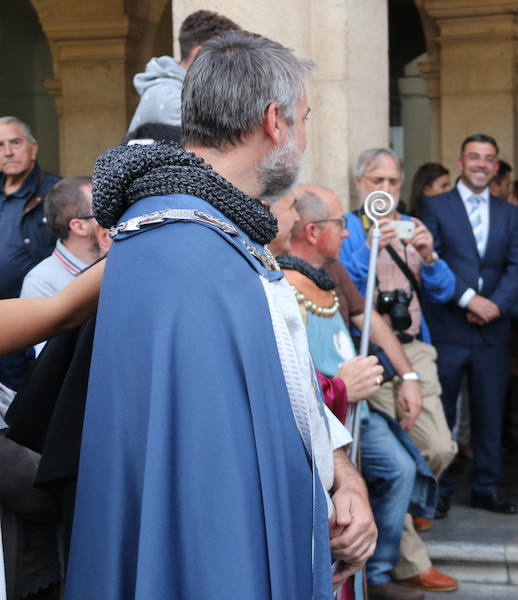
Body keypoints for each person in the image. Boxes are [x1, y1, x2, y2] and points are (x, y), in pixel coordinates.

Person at [65, 31, 375, 599]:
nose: (304, 138)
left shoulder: (219, 236)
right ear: (274, 122)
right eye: (303, 119)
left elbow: (287, 391)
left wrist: (342, 476)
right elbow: (207, 496)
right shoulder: (190, 252)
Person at [285, 184, 459, 597]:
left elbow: (370, 319)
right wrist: (341, 385)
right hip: (324, 417)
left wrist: (409, 377)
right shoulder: (281, 282)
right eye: (339, 226)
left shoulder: (333, 272)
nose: (346, 234)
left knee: (404, 466)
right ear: (311, 232)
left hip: (358, 411)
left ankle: (378, 572)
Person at [418, 133, 518, 516]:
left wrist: (494, 305)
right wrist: (467, 298)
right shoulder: (434, 206)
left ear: (496, 167)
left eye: (489, 158)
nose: (481, 164)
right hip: (449, 324)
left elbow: (515, 266)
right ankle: (440, 492)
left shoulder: (510, 212)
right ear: (461, 162)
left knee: (490, 411)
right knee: (443, 412)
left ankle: (487, 488)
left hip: (492, 329)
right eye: (474, 157)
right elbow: (430, 259)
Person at [0, 116, 60, 390]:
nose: (8, 151)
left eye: (15, 142)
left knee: (28, 406)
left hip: (31, 321)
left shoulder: (55, 194)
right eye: (0, 146)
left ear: (33, 148)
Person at [19, 178, 109, 353]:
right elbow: (53, 360)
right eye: (103, 211)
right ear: (80, 226)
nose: (115, 217)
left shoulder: (118, 261)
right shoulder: (40, 281)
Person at [127, 10, 240, 133]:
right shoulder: (170, 99)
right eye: (228, 57)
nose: (232, 69)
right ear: (200, 54)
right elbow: (219, 144)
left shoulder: (183, 94)